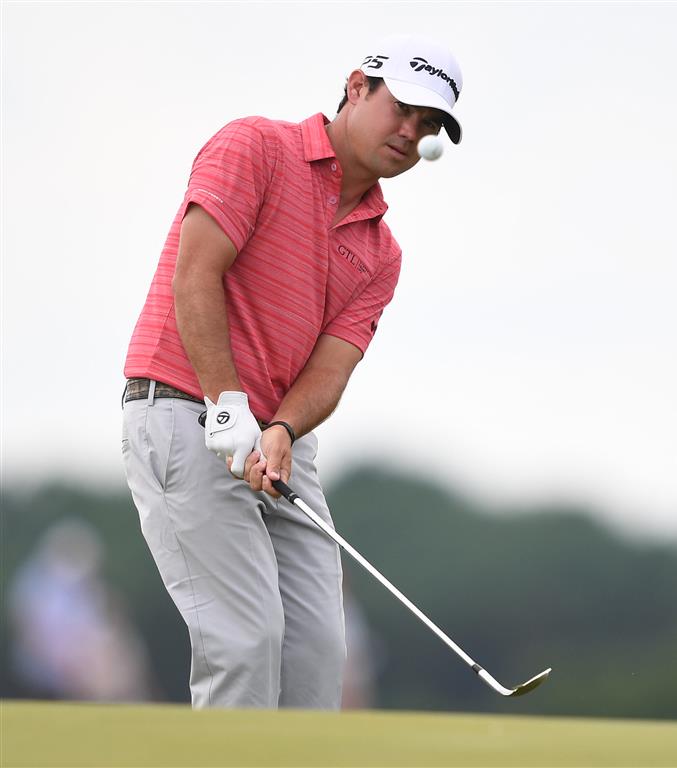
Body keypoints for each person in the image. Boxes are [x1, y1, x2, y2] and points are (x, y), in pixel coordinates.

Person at [120, 34, 463, 709]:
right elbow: (197, 275)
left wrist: (279, 427)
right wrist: (227, 404)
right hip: (184, 409)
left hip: (279, 442)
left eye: (427, 126)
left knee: (318, 653)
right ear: (357, 86)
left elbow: (331, 370)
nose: (409, 132)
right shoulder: (255, 146)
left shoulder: (381, 251)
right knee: (244, 642)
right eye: (403, 108)